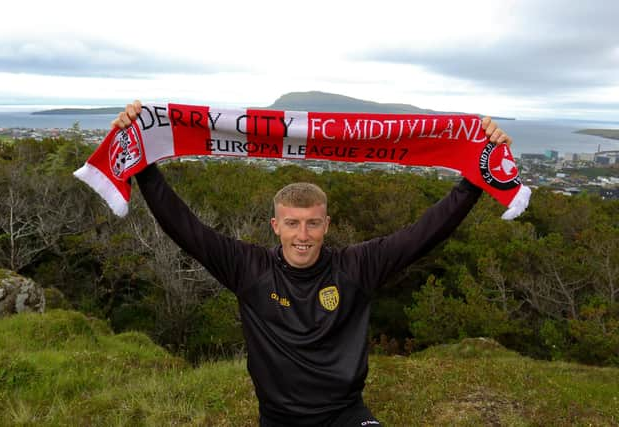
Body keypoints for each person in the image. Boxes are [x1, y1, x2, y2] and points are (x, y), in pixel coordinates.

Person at [113, 101, 512, 427]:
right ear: (276, 226)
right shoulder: (248, 269)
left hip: (345, 413)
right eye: (292, 223)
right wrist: (144, 164)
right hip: (279, 418)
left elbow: (425, 232)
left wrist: (476, 177)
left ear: (327, 224)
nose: (302, 235)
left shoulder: (356, 267)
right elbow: (185, 228)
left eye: (312, 223)